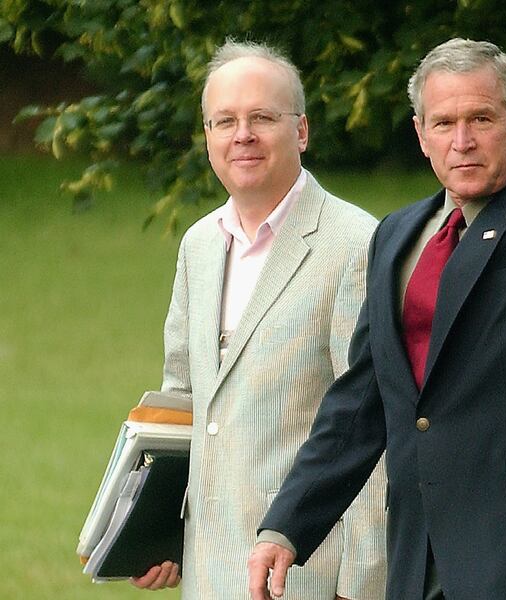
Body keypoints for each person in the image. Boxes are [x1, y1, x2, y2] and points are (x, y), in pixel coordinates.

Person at [248, 37, 506, 600]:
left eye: (481, 118)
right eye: (443, 123)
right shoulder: (396, 236)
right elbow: (363, 398)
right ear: (420, 134)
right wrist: (287, 525)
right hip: (420, 562)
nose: (462, 141)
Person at [130, 39, 387, 599]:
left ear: (301, 131)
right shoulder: (199, 245)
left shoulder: (355, 244)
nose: (241, 134)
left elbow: (373, 422)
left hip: (308, 578)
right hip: (209, 572)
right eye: (224, 121)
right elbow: (183, 401)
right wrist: (153, 531)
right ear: (207, 137)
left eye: (261, 118)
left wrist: (361, 586)